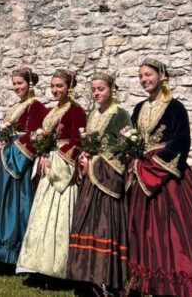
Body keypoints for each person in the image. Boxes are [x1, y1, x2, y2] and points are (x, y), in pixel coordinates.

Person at [127, 59, 192, 296]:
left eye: (148, 74)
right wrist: (132, 157)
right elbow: (135, 141)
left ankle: (181, 287)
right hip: (142, 178)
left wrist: (153, 167)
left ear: (162, 76)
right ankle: (147, 285)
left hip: (170, 180)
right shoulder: (138, 108)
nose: (144, 79)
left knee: (177, 234)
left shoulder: (176, 108)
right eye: (140, 76)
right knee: (146, 233)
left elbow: (181, 143)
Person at [0, 67, 48, 265]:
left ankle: (14, 251)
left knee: (16, 205)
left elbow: (38, 135)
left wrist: (12, 148)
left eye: (20, 83)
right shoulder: (15, 107)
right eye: (14, 84)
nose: (16, 87)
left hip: (19, 163)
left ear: (30, 84)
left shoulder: (37, 107)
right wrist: (2, 143)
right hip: (6, 159)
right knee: (0, 203)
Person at [16, 68, 86, 278]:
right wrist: (43, 150)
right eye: (53, 86)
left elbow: (77, 141)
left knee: (60, 219)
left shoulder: (76, 111)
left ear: (69, 87)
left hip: (62, 171)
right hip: (48, 165)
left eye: (59, 86)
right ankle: (38, 264)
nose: (55, 90)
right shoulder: (52, 110)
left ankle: (59, 267)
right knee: (41, 217)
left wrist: (55, 155)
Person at [67, 72, 132, 294]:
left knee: (105, 226)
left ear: (111, 90)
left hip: (107, 179)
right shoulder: (92, 114)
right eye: (93, 89)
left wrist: (94, 161)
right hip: (90, 180)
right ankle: (87, 277)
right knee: (86, 224)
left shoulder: (120, 115)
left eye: (101, 89)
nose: (96, 93)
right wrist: (84, 156)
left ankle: (107, 278)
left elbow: (123, 148)